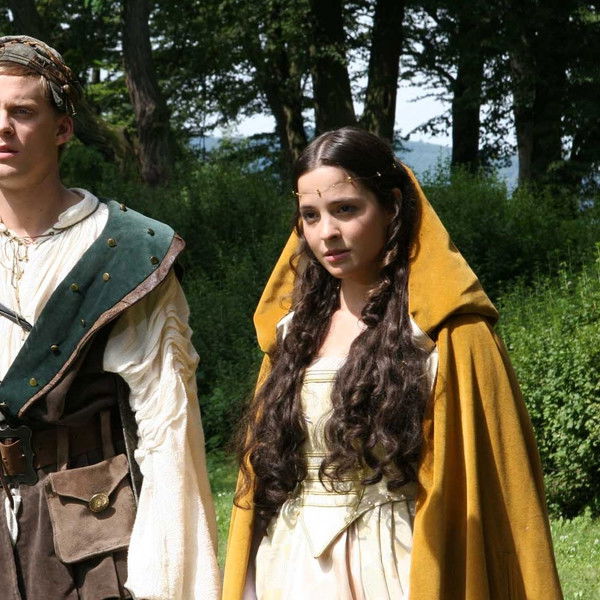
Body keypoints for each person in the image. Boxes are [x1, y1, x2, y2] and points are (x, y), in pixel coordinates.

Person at [223, 127, 563, 599]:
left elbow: (496, 487)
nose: (327, 233)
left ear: (392, 207)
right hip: (291, 565)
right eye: (311, 216)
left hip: (395, 562)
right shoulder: (291, 334)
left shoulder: (448, 333)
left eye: (346, 209)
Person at [0, 36, 220, 599]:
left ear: (62, 128)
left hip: (87, 535)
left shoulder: (128, 249)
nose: (2, 127)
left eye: (22, 112)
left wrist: (169, 581)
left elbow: (169, 427)